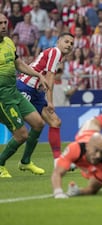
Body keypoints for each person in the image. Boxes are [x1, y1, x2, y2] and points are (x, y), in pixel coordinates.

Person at [0, 13, 49, 178]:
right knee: (21, 135)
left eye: (5, 22)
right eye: (0, 23)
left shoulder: (8, 43)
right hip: (2, 98)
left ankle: (26, 161)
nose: (3, 26)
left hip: (14, 92)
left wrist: (38, 75)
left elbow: (18, 64)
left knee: (38, 123)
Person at [16, 32, 74, 162]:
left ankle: (57, 160)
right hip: (25, 86)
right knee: (14, 126)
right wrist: (50, 101)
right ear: (58, 41)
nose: (69, 45)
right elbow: (50, 76)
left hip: (36, 92)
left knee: (55, 122)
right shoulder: (56, 52)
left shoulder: (56, 56)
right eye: (66, 41)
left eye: (71, 44)